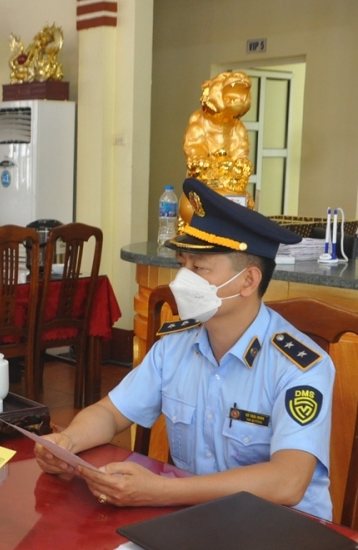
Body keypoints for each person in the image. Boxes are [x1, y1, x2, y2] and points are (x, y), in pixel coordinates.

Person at [35, 178, 336, 521]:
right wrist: (67, 443)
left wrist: (161, 491)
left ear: (248, 281)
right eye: (182, 264)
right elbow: (111, 412)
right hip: (198, 519)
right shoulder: (175, 346)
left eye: (199, 268)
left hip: (281, 529)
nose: (182, 280)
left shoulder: (298, 366)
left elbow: (288, 482)